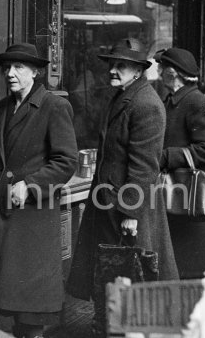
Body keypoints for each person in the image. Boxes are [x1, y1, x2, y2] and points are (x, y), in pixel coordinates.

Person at [67, 38, 178, 301]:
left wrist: (131, 213)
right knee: (113, 276)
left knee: (128, 279)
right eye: (112, 64)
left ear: (139, 71)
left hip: (126, 208)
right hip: (110, 203)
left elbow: (144, 167)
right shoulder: (124, 97)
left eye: (122, 66)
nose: (112, 70)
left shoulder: (146, 105)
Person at [0, 43, 78, 338]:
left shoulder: (54, 105)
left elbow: (66, 161)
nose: (10, 73)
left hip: (33, 215)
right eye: (7, 68)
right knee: (9, 296)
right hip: (3, 209)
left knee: (31, 303)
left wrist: (31, 184)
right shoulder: (3, 106)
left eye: (19, 67)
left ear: (36, 72)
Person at [157, 47, 205, 278]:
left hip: (192, 205)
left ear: (172, 73)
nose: (159, 72)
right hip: (178, 199)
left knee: (193, 275)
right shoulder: (175, 101)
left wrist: (165, 157)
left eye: (162, 68)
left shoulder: (197, 102)